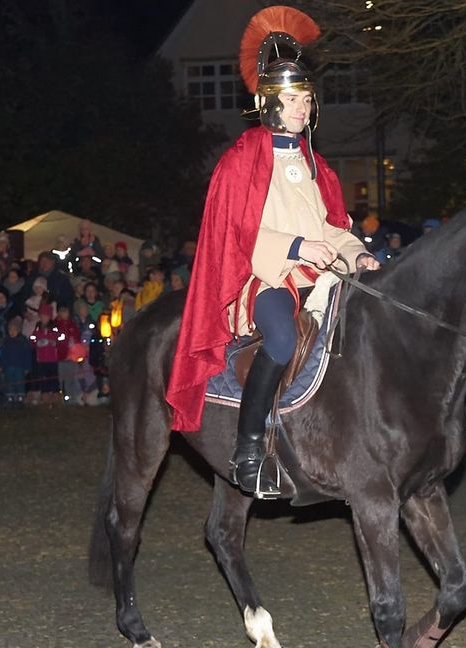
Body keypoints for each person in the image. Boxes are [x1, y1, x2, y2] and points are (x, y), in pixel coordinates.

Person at [166, 6, 380, 497]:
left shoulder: (316, 164)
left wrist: (358, 255)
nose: (302, 107)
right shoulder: (241, 159)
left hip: (322, 279)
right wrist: (301, 246)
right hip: (266, 280)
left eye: (306, 98)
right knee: (282, 342)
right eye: (292, 98)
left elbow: (336, 226)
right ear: (269, 103)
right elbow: (236, 234)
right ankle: (247, 450)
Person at [0, 319, 32, 409]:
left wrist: (27, 367)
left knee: (19, 383)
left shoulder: (23, 341)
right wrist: (1, 365)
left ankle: (20, 399)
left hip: (19, 367)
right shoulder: (6, 342)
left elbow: (27, 355)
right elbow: (2, 354)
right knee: (9, 382)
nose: (12, 332)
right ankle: (10, 398)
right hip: (8, 367)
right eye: (10, 330)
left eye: (14, 330)